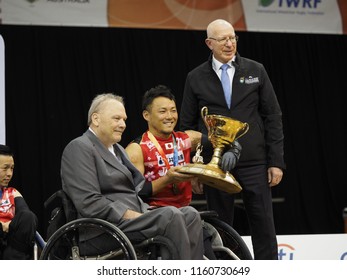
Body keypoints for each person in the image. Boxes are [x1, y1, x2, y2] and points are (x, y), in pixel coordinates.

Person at [179, 19, 285, 260]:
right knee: (221, 224)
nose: (230, 44)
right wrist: (195, 171)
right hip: (214, 164)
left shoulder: (255, 70)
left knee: (263, 222)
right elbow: (187, 127)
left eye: (233, 38)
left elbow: (273, 116)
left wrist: (275, 161)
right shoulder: (195, 77)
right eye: (223, 39)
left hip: (254, 160)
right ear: (209, 43)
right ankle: (225, 270)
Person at [60, 93, 204, 259]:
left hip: (131, 220)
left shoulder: (118, 149)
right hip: (102, 230)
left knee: (190, 215)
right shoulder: (79, 147)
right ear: (96, 119)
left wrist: (145, 213)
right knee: (171, 216)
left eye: (124, 120)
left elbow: (133, 192)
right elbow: (89, 202)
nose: (123, 125)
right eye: (116, 119)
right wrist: (133, 215)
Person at [125, 84, 241, 259]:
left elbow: (224, 139)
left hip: (187, 214)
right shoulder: (136, 149)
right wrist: (168, 179)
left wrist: (234, 150)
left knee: (211, 251)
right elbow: (135, 193)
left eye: (173, 110)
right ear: (146, 115)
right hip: (154, 215)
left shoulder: (186, 139)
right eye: (163, 111)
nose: (170, 116)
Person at [0, 144, 38, 259]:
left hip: (12, 248)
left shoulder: (13, 192)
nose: (9, 174)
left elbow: (26, 220)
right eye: (5, 168)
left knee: (28, 217)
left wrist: (7, 227)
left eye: (12, 168)